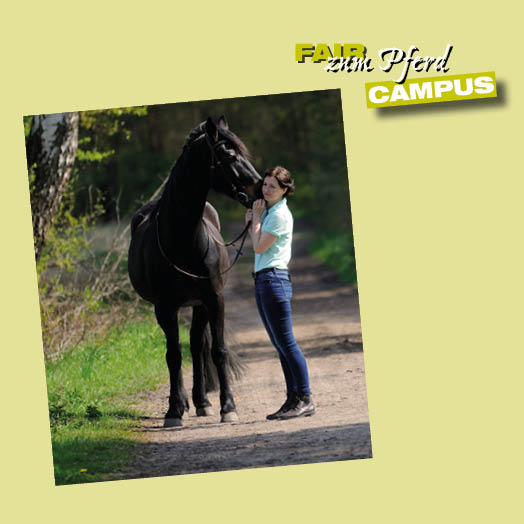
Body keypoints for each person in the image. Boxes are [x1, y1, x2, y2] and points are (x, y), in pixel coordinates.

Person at [245, 166, 315, 420]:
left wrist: (256, 219)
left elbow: (258, 247)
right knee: (280, 345)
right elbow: (258, 240)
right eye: (265, 185)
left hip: (274, 280)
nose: (266, 190)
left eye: (272, 186)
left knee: (287, 343)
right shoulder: (270, 212)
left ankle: (305, 398)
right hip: (264, 280)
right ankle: (292, 399)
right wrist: (255, 221)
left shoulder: (279, 215)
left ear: (284, 190)